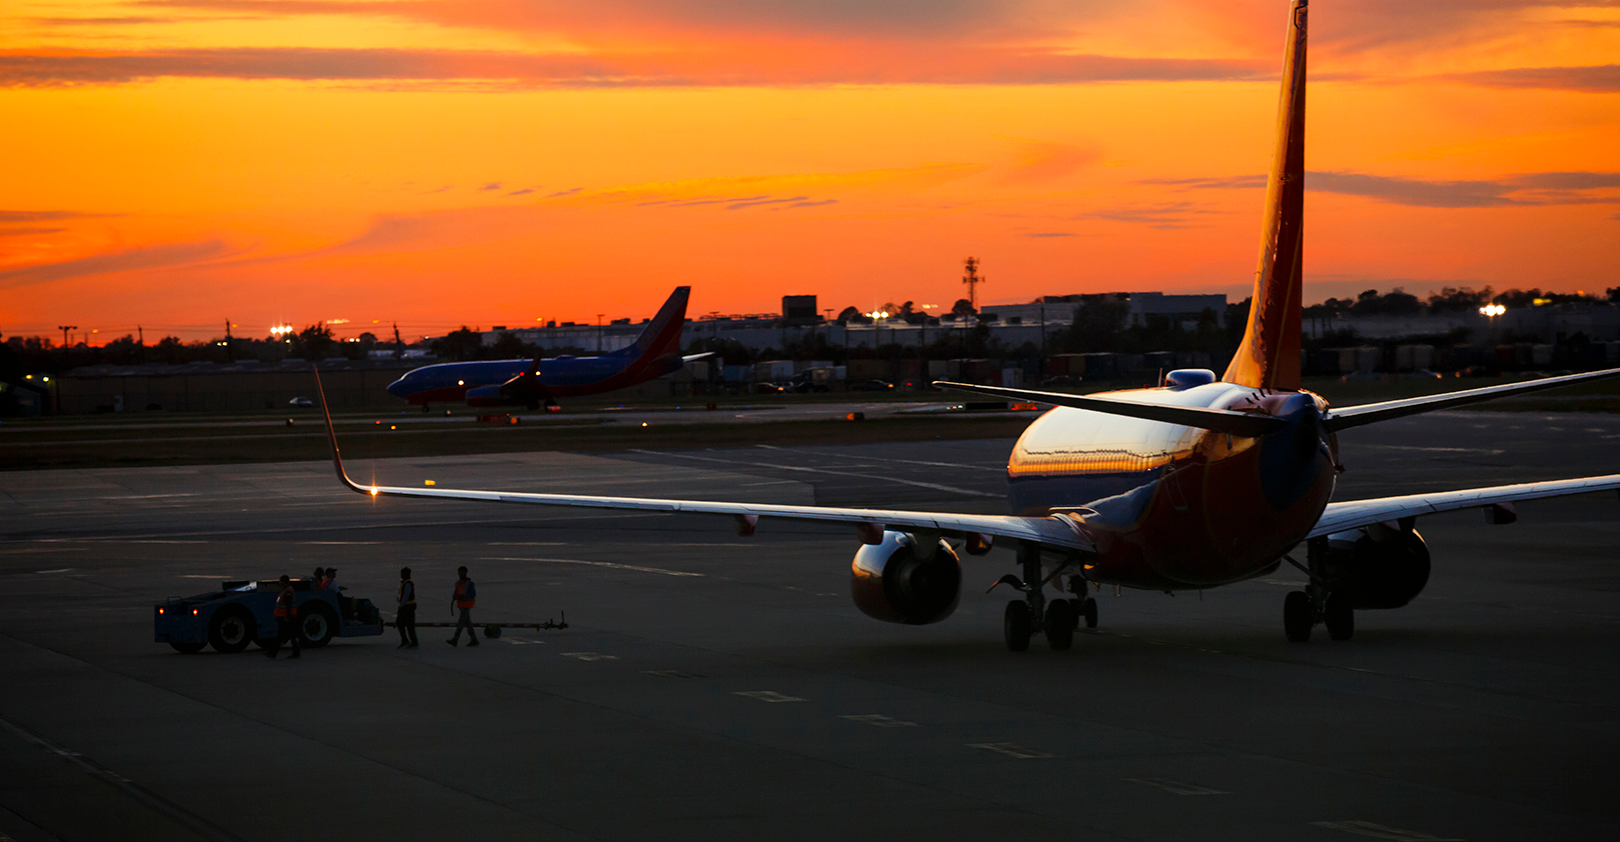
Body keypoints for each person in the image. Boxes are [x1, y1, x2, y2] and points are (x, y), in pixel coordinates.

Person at [266, 574, 301, 659]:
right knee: (288, 635)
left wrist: (287, 617)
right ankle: (274, 653)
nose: (279, 583)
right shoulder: (285, 590)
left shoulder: (288, 591)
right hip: (287, 617)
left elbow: (288, 605)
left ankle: (273, 653)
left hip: (287, 617)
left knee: (281, 635)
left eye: (281, 581)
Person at [447, 566, 478, 647]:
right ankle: (474, 639)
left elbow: (473, 594)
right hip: (461, 605)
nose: (460, 574)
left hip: (467, 605)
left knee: (461, 622)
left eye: (462, 572)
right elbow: (456, 592)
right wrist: (455, 596)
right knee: (468, 623)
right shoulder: (457, 583)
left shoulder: (469, 584)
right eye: (459, 572)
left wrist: (463, 597)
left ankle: (455, 639)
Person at [396, 567, 418, 649]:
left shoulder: (407, 584)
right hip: (407, 607)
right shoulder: (405, 583)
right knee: (404, 624)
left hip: (407, 607)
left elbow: (405, 596)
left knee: (406, 624)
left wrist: (401, 606)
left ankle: (411, 641)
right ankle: (407, 640)